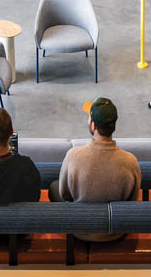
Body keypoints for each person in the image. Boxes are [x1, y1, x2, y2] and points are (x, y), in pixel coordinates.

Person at [49, 97, 141, 244]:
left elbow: (64, 194)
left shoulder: (73, 156)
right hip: (116, 232)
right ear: (114, 125)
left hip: (79, 231)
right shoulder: (130, 161)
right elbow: (132, 200)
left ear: (93, 125)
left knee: (54, 187)